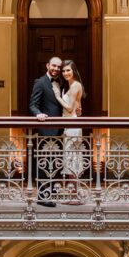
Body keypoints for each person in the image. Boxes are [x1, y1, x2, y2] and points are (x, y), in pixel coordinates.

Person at [29, 56, 65, 207]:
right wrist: (38, 114)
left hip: (59, 130)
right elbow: (33, 104)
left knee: (55, 162)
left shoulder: (62, 82)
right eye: (54, 66)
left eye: (58, 67)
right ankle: (42, 196)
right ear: (47, 65)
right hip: (46, 130)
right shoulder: (40, 82)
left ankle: (50, 190)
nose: (56, 69)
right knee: (44, 162)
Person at [53, 60, 86, 204]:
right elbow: (78, 110)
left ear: (74, 71)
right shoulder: (71, 85)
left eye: (68, 70)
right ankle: (72, 193)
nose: (66, 73)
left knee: (72, 159)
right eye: (64, 71)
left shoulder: (76, 85)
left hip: (72, 126)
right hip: (70, 124)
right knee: (70, 159)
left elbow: (69, 108)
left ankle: (74, 196)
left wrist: (58, 96)